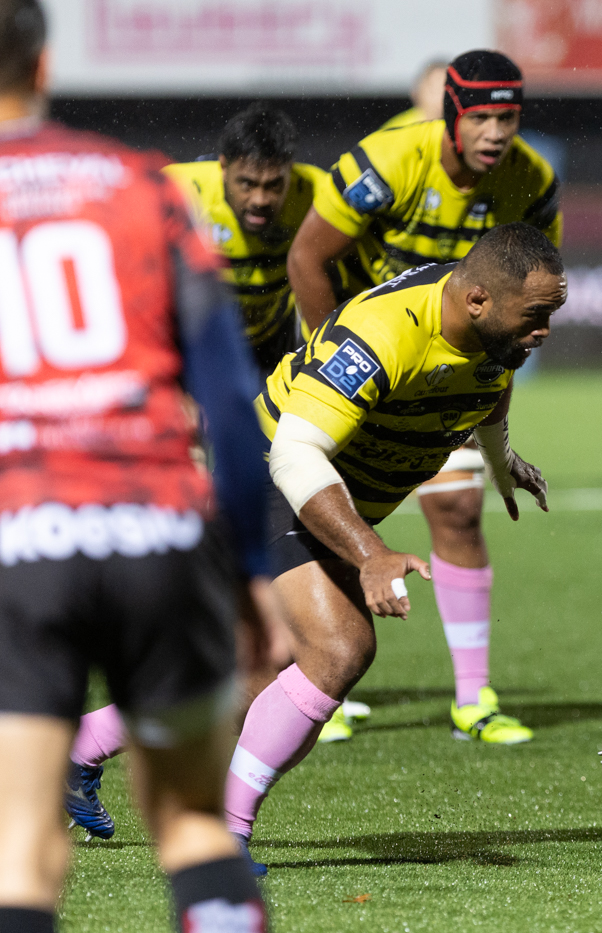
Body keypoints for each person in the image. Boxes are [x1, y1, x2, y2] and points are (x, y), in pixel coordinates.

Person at [0, 1, 285, 928]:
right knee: (195, 827)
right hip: (158, 528)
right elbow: (233, 409)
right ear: (44, 70)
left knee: (21, 850)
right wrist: (250, 573)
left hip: (23, 536)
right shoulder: (143, 185)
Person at [228, 223, 563, 871]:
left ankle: (86, 748)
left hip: (333, 495)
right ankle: (224, 834)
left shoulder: (495, 332)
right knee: (340, 648)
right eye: (536, 315)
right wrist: (370, 554)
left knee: (256, 674)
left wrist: (503, 461)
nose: (544, 330)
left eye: (552, 313)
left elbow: (490, 392)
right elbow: (296, 454)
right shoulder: (384, 332)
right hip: (269, 470)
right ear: (477, 302)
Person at [287, 49, 560, 744]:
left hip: (452, 366)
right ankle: (320, 668)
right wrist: (339, 363)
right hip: (367, 362)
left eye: (510, 117)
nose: (498, 131)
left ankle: (474, 697)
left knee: (462, 510)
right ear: (453, 114)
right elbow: (308, 258)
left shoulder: (534, 179)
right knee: (324, 507)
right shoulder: (385, 163)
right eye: (484, 117)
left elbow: (530, 291)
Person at [160, 104, 324, 374]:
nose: (260, 200)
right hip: (195, 346)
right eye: (247, 184)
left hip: (270, 343)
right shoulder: (177, 192)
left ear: (290, 170)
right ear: (223, 166)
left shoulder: (320, 194)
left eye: (274, 185)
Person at [380, 59, 450, 130]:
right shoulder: (397, 128)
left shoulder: (456, 128)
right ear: (418, 91)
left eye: (446, 90)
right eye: (435, 89)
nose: (441, 96)